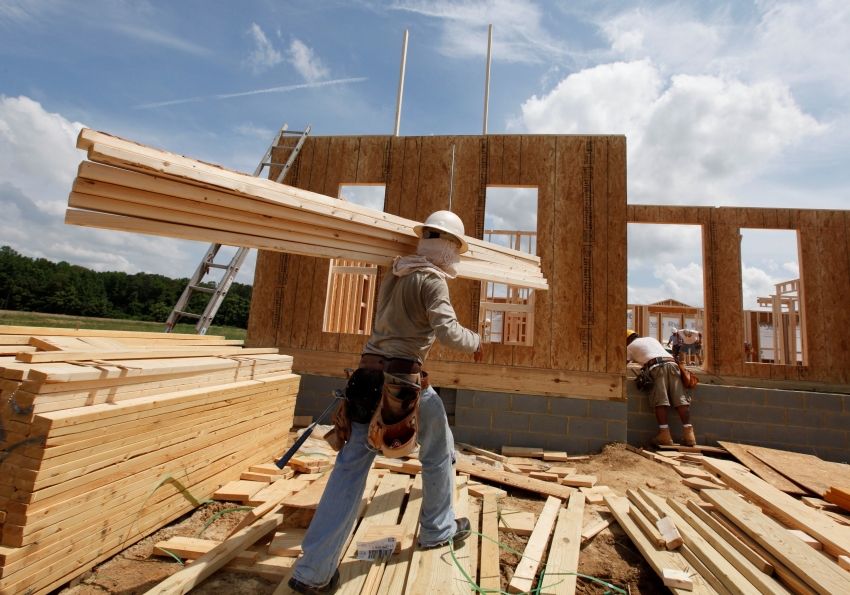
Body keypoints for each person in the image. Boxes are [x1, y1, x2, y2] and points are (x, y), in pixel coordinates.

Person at [288, 210, 484, 595]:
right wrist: (477, 341)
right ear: (449, 247)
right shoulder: (432, 280)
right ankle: (437, 530)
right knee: (440, 450)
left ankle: (312, 572)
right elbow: (448, 332)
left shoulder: (396, 272)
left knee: (348, 467)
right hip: (402, 387)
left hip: (366, 378)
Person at [627, 330, 696, 447]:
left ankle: (665, 436)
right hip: (673, 365)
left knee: (659, 400)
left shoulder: (630, 346)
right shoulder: (651, 339)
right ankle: (689, 435)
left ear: (627, 339)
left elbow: (620, 364)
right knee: (681, 400)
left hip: (657, 367)